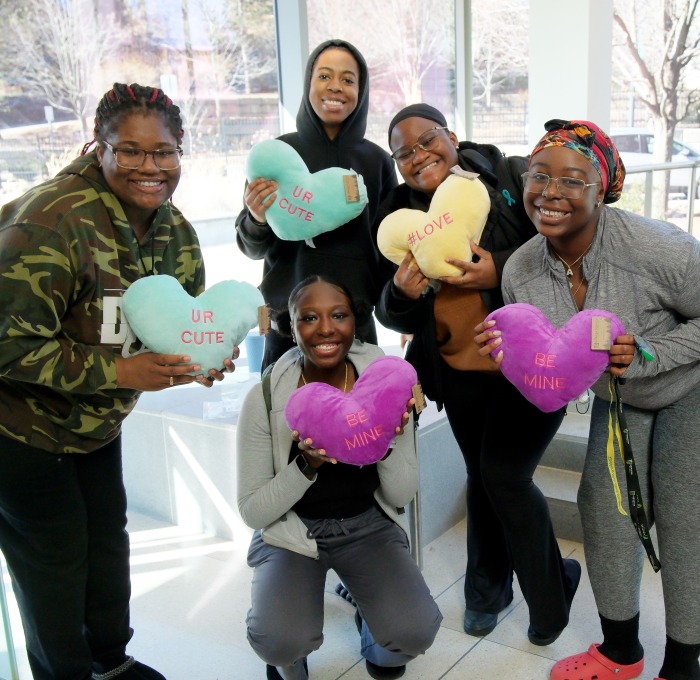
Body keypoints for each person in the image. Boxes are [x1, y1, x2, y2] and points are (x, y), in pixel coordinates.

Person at [0, 82, 235, 680]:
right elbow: (8, 343)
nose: (149, 167)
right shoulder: (50, 221)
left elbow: (179, 320)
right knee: (55, 565)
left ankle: (109, 663)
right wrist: (120, 371)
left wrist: (200, 357)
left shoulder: (174, 231)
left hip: (96, 426)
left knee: (107, 547)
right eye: (129, 151)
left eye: (163, 152)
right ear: (98, 147)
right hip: (20, 433)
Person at [476, 119, 700, 680]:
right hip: (618, 400)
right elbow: (552, 368)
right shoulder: (522, 271)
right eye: (539, 175)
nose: (550, 191)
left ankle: (685, 662)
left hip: (688, 388)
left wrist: (650, 352)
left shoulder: (658, 249)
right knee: (604, 510)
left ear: (602, 188)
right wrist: (514, 360)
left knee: (684, 518)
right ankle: (621, 651)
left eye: (572, 180)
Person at [374, 103, 581, 645]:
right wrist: (401, 293)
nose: (419, 157)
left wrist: (499, 267)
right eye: (404, 153)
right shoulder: (398, 214)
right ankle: (488, 592)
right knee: (483, 477)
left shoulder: (507, 176)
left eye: (427, 140)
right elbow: (388, 309)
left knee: (503, 476)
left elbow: (562, 244)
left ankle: (549, 594)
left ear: (453, 136)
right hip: (457, 373)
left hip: (530, 366)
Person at [236, 275, 442, 680]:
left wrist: (384, 441)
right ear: (290, 327)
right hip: (292, 532)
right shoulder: (263, 398)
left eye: (339, 315)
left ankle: (369, 624)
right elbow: (253, 512)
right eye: (308, 317)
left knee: (412, 633)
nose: (326, 328)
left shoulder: (384, 384)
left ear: (356, 322)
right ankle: (291, 650)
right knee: (279, 639)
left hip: (368, 526)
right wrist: (307, 464)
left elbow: (401, 492)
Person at [235, 39, 398, 370]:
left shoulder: (378, 161)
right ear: (309, 83)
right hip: (286, 328)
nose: (335, 87)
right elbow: (251, 246)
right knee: (286, 420)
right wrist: (257, 217)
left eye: (348, 79)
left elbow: (387, 250)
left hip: (356, 331)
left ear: (361, 90)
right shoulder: (278, 155)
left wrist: (399, 310)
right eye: (324, 76)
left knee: (359, 419)